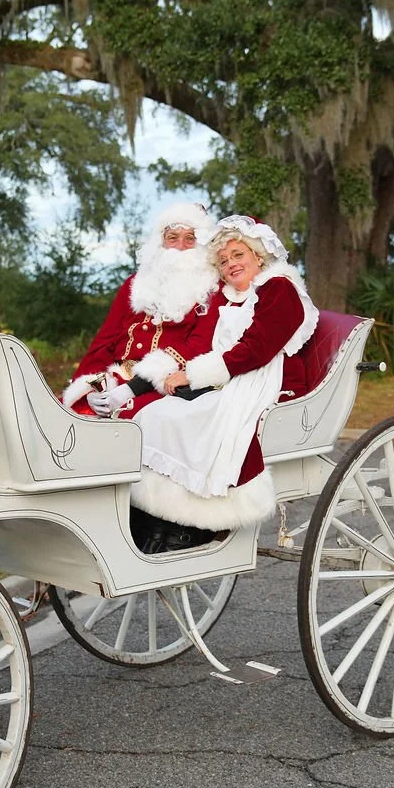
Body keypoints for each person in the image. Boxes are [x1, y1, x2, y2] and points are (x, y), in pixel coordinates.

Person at [130, 215, 319, 551]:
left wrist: (194, 375)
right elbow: (207, 344)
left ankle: (198, 524)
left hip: (267, 380)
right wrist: (174, 371)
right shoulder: (229, 296)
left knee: (194, 421)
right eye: (223, 260)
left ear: (258, 255)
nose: (231, 264)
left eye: (238, 255)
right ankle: (156, 516)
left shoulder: (280, 289)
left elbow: (257, 349)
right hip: (232, 378)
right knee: (155, 415)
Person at [62, 202, 221, 419]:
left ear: (201, 245)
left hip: (162, 385)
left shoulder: (211, 289)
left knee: (128, 419)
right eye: (172, 238)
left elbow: (198, 346)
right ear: (160, 243)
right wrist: (91, 387)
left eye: (190, 239)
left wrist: (129, 390)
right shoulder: (135, 283)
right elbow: (105, 341)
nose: (180, 247)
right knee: (66, 416)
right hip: (115, 377)